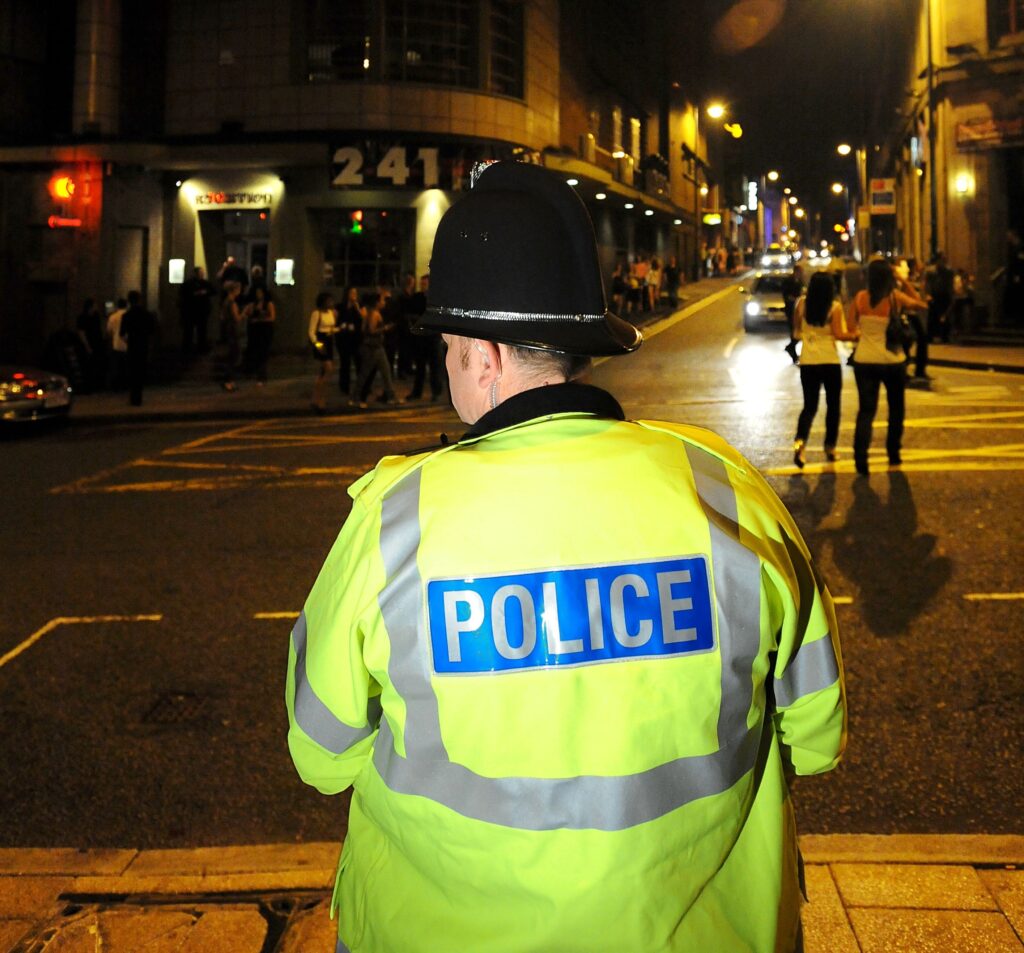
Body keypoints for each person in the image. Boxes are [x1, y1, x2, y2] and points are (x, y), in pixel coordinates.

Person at [286, 161, 845, 953]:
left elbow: (320, 748)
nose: (448, 364)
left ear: (482, 355)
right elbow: (817, 738)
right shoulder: (726, 490)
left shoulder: (397, 520)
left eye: (448, 346)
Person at [846, 259, 928, 475]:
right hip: (892, 361)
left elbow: (851, 325)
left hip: (864, 360)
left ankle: (860, 458)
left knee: (866, 411)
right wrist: (904, 280)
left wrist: (864, 334)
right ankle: (893, 454)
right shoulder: (894, 298)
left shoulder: (860, 298)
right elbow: (921, 304)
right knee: (896, 409)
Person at [791, 271, 860, 468]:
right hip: (829, 361)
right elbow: (839, 335)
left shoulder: (801, 304)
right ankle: (830, 447)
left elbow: (796, 331)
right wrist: (856, 335)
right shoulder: (834, 307)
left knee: (809, 406)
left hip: (808, 361)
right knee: (833, 406)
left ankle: (800, 442)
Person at [351, 289, 399, 407]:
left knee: (385, 372)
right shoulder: (374, 314)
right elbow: (371, 330)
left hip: (376, 347)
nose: (384, 303)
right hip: (373, 348)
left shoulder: (370, 312)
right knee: (366, 374)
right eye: (382, 300)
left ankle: (391, 397)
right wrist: (385, 328)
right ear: (377, 302)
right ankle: (355, 398)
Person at [406, 274, 444, 401]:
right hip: (421, 338)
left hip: (433, 337)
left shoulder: (436, 299)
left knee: (435, 367)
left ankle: (436, 392)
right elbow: (410, 313)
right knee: (420, 367)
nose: (422, 286)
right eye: (421, 284)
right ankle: (417, 392)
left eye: (425, 284)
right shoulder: (417, 297)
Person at [119, 290, 156, 407]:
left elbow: (122, 333)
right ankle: (138, 396)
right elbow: (152, 330)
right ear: (139, 300)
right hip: (143, 345)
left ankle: (133, 397)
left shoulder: (126, 315)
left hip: (132, 346)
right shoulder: (146, 314)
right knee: (140, 372)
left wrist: (128, 341)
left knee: (132, 372)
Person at [308, 291, 338, 413]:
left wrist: (338, 329)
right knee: (329, 369)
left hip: (329, 340)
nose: (331, 302)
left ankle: (316, 399)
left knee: (323, 373)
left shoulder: (331, 313)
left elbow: (330, 327)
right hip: (321, 342)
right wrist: (317, 344)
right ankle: (321, 400)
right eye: (328, 300)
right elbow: (311, 331)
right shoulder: (316, 313)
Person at [241, 286, 275, 384]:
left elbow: (272, 317)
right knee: (254, 352)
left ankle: (262, 376)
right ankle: (254, 372)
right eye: (257, 293)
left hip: (264, 330)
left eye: (260, 292)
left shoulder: (268, 304)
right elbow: (246, 313)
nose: (258, 295)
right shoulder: (253, 304)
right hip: (254, 331)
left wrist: (260, 319)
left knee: (263, 353)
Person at [178, 266, 215, 353]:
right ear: (195, 274)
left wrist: (205, 292)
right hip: (192, 310)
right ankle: (188, 349)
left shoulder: (204, 283)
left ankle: (198, 348)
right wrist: (196, 294)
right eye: (200, 273)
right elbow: (183, 294)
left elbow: (214, 291)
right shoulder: (189, 284)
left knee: (200, 331)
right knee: (190, 331)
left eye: (203, 273)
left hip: (200, 310)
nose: (202, 274)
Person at [336, 286, 363, 397]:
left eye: (355, 293)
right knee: (345, 363)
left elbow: (362, 319)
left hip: (355, 338)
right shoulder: (340, 307)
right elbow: (337, 319)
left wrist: (357, 308)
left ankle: (361, 386)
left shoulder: (358, 306)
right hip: (343, 338)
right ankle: (344, 387)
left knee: (359, 363)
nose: (354, 295)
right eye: (352, 292)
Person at [217, 281, 243, 392]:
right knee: (233, 356)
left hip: (228, 330)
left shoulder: (225, 302)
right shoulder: (232, 302)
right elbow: (237, 318)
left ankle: (230, 381)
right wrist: (245, 313)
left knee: (231, 356)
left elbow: (222, 317)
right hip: (233, 331)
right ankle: (228, 381)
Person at [924, 251, 954, 344]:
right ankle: (931, 336)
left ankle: (945, 336)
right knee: (932, 316)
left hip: (944, 295)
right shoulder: (930, 271)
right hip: (934, 295)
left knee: (945, 316)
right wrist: (928, 294)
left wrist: (951, 295)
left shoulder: (948, 272)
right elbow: (927, 284)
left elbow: (950, 284)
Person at [782, 264, 805, 363]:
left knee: (797, 331)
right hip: (791, 309)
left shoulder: (800, 281)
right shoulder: (788, 281)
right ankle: (792, 351)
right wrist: (795, 300)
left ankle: (791, 348)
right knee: (794, 330)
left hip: (798, 310)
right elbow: (786, 295)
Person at [105, 297, 128, 390]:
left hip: (116, 344)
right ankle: (125, 385)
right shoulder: (128, 315)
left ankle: (116, 386)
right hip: (127, 345)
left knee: (116, 367)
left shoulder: (113, 317)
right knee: (126, 367)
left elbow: (109, 331)